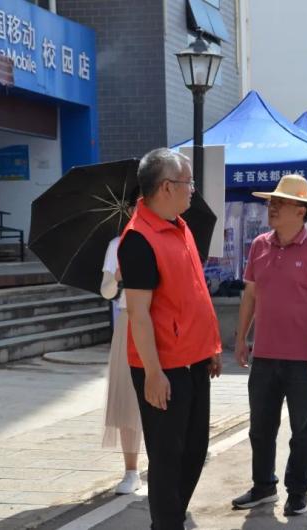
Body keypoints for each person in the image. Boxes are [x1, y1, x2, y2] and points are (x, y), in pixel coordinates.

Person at [119, 148, 222, 530]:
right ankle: (167, 523)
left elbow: (194, 292)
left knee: (195, 450)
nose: (192, 189)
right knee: (167, 456)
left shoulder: (180, 226)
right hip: (164, 365)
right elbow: (139, 313)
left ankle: (171, 520)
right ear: (165, 187)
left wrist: (211, 346)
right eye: (187, 182)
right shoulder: (138, 239)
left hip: (194, 358)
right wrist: (152, 372)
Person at [232, 174, 307, 516]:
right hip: (264, 354)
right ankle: (264, 486)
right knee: (260, 428)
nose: (271, 207)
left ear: (301, 210)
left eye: (280, 202)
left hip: (302, 357)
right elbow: (250, 295)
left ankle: (297, 490)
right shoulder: (259, 245)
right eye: (271, 202)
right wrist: (241, 339)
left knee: (302, 430)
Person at [100, 194, 143, 495]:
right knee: (128, 397)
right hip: (128, 319)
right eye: (135, 206)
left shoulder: (163, 240)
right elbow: (105, 291)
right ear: (128, 210)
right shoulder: (117, 245)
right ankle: (131, 470)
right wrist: (116, 277)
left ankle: (165, 462)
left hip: (161, 320)